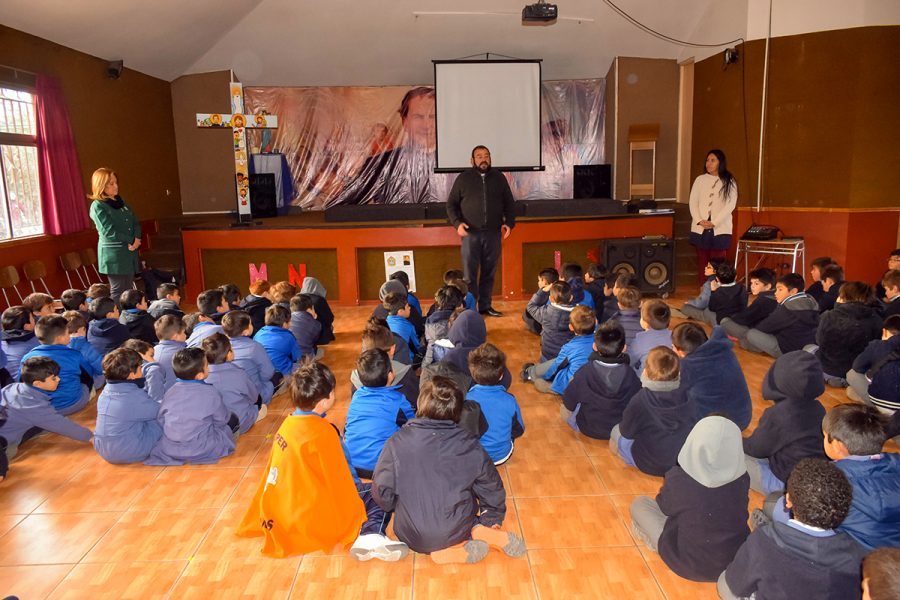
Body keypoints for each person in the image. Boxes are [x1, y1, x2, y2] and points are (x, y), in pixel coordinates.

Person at [236, 359, 409, 561]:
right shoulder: (323, 432)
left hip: (287, 505)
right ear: (324, 400)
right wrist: (357, 500)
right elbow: (341, 479)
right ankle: (371, 534)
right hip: (314, 508)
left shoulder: (287, 425)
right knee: (380, 493)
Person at [372, 376, 525, 564]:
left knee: (423, 516)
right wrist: (491, 516)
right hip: (457, 526)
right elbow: (491, 485)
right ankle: (479, 529)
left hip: (410, 533)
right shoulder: (470, 444)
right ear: (457, 411)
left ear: (420, 404)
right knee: (462, 510)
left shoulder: (395, 442)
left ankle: (444, 552)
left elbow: (381, 490)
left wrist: (397, 505)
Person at [718, 458, 866, 600]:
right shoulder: (857, 556)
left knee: (724, 583)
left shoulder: (762, 541)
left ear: (788, 501)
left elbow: (735, 584)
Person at [630, 416, 750, 582]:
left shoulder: (679, 477)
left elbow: (664, 506)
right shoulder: (742, 478)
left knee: (640, 504)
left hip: (687, 562)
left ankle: (656, 543)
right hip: (731, 560)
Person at [328, 87, 443, 206]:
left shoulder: (457, 164)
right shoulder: (380, 164)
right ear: (405, 122)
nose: (426, 124)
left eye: (432, 117)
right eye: (418, 117)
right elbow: (341, 206)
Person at [743, 350, 827, 494]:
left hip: (783, 483)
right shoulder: (819, 408)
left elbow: (755, 449)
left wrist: (732, 438)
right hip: (809, 479)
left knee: (728, 452)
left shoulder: (779, 415)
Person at [446, 145, 516, 317]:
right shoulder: (463, 178)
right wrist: (457, 224)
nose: (483, 159)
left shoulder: (499, 177)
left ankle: (485, 306)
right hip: (471, 234)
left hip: (493, 233)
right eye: (479, 156)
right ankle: (470, 309)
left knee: (488, 273)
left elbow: (509, 203)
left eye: (486, 156)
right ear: (472, 160)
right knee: (469, 276)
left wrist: (509, 223)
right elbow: (451, 204)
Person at [610, 347, 697, 476]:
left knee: (616, 431)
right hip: (677, 463)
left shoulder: (641, 398)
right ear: (678, 374)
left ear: (645, 373)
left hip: (646, 462)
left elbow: (626, 432)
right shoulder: (690, 395)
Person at [0, 357, 93, 477]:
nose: (58, 379)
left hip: (7, 426)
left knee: (40, 423)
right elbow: (62, 425)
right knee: (11, 451)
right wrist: (90, 436)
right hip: (4, 442)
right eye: (54, 378)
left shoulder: (13, 387)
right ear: (37, 384)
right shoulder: (34, 406)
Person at [145, 347, 237, 466]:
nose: (208, 368)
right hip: (202, 447)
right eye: (207, 366)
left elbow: (162, 419)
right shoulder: (210, 392)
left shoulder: (170, 391)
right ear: (199, 375)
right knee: (232, 419)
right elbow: (222, 420)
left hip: (171, 448)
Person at [343, 349, 416, 479]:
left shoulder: (357, 396)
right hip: (380, 467)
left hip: (351, 464)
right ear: (390, 375)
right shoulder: (398, 401)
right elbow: (413, 425)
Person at [561, 320, 641, 438]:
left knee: (565, 408)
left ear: (594, 347)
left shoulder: (585, 371)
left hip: (587, 427)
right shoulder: (631, 374)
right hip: (617, 429)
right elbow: (636, 403)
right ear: (624, 348)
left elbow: (568, 402)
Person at [673, 323, 751, 430]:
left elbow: (675, 396)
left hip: (720, 427)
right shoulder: (725, 350)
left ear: (681, 352)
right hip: (743, 416)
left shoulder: (688, 365)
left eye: (673, 347)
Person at [93, 348, 162, 464]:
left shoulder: (105, 392)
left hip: (103, 449)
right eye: (140, 368)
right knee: (163, 420)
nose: (142, 371)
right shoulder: (134, 397)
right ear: (131, 375)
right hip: (128, 451)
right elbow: (161, 411)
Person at [87, 168, 142, 301]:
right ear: (101, 185)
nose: (115, 186)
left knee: (128, 290)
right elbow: (108, 231)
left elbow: (134, 222)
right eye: (111, 184)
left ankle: (128, 317)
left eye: (115, 182)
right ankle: (117, 318)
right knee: (118, 290)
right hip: (114, 253)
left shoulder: (120, 201)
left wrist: (137, 239)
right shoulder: (98, 205)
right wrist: (131, 240)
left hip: (129, 250)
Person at [465, 343, 524, 465]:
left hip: (475, 458)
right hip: (502, 456)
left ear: (473, 374)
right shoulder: (510, 400)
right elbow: (519, 430)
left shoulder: (466, 398)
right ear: (501, 376)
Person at [22, 315, 94, 415]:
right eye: (68, 333)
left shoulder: (26, 358)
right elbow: (88, 378)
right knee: (92, 381)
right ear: (60, 338)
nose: (69, 335)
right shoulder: (74, 354)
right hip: (72, 404)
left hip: (43, 409)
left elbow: (23, 382)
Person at [815, 281, 882, 388]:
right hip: (857, 373)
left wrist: (836, 306)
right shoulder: (877, 319)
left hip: (830, 370)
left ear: (844, 296)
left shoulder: (829, 315)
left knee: (809, 348)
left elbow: (819, 340)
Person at [739, 273, 819, 358]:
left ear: (793, 291)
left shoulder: (788, 308)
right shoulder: (810, 302)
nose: (776, 293)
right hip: (804, 345)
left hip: (786, 350)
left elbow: (763, 327)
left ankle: (752, 345)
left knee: (751, 333)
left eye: (780, 290)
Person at [688, 149, 737, 286]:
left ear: (720, 162)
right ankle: (704, 289)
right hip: (701, 228)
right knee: (703, 261)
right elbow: (693, 201)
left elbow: (730, 204)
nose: (708, 163)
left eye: (713, 160)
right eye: (707, 160)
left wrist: (714, 222)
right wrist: (699, 220)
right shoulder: (700, 180)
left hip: (720, 228)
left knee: (718, 262)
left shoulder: (729, 181)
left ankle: (719, 288)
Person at [523, 305, 595, 395]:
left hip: (572, 384)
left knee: (558, 363)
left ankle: (533, 374)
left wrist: (546, 376)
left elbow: (556, 367)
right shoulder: (600, 339)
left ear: (571, 327)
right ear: (595, 322)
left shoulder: (569, 347)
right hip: (593, 382)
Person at [202, 333, 264, 434]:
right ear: (228, 353)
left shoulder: (204, 377)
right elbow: (254, 397)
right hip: (243, 421)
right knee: (261, 406)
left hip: (221, 426)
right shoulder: (238, 373)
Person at [222, 310, 277, 405]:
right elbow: (267, 374)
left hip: (230, 395)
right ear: (246, 332)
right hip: (255, 396)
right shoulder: (254, 347)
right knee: (278, 376)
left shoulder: (221, 347)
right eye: (250, 323)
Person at [524, 280, 575, 364]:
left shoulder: (545, 313)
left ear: (551, 299)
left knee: (546, 372)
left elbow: (531, 306)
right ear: (571, 297)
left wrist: (543, 290)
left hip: (547, 353)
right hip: (567, 355)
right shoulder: (578, 315)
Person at [720, 267, 778, 341]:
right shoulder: (775, 296)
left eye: (756, 284)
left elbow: (743, 319)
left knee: (725, 321)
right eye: (751, 283)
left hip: (760, 335)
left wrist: (732, 316)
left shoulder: (763, 300)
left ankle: (744, 339)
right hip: (767, 331)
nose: (752, 286)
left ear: (768, 286)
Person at [628, 300, 673, 374]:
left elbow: (629, 361)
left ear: (645, 323)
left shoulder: (640, 339)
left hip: (645, 379)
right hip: (669, 376)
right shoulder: (674, 337)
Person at [63, 311, 104, 390]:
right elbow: (100, 369)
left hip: (73, 383)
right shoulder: (88, 348)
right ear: (82, 329)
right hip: (90, 382)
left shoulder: (60, 344)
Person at [120, 339, 166, 403]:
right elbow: (157, 400)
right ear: (140, 355)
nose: (155, 360)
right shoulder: (153, 371)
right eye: (151, 356)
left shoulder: (122, 374)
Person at [1, 307, 38, 382]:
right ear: (26, 326)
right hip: (27, 386)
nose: (35, 320)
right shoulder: (37, 342)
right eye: (32, 319)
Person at [153, 314, 187, 393]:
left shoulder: (153, 352)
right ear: (175, 336)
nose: (185, 336)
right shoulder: (183, 354)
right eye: (183, 332)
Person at [522, 268, 559, 335]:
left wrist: (541, 291)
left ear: (544, 281)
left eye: (539, 280)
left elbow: (530, 307)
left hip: (545, 327)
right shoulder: (560, 291)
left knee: (526, 314)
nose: (538, 282)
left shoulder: (545, 293)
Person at [289, 294, 322, 359]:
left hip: (288, 356)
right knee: (318, 351)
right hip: (304, 358)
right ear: (311, 309)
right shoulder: (316, 324)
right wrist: (315, 319)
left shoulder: (287, 318)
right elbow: (314, 341)